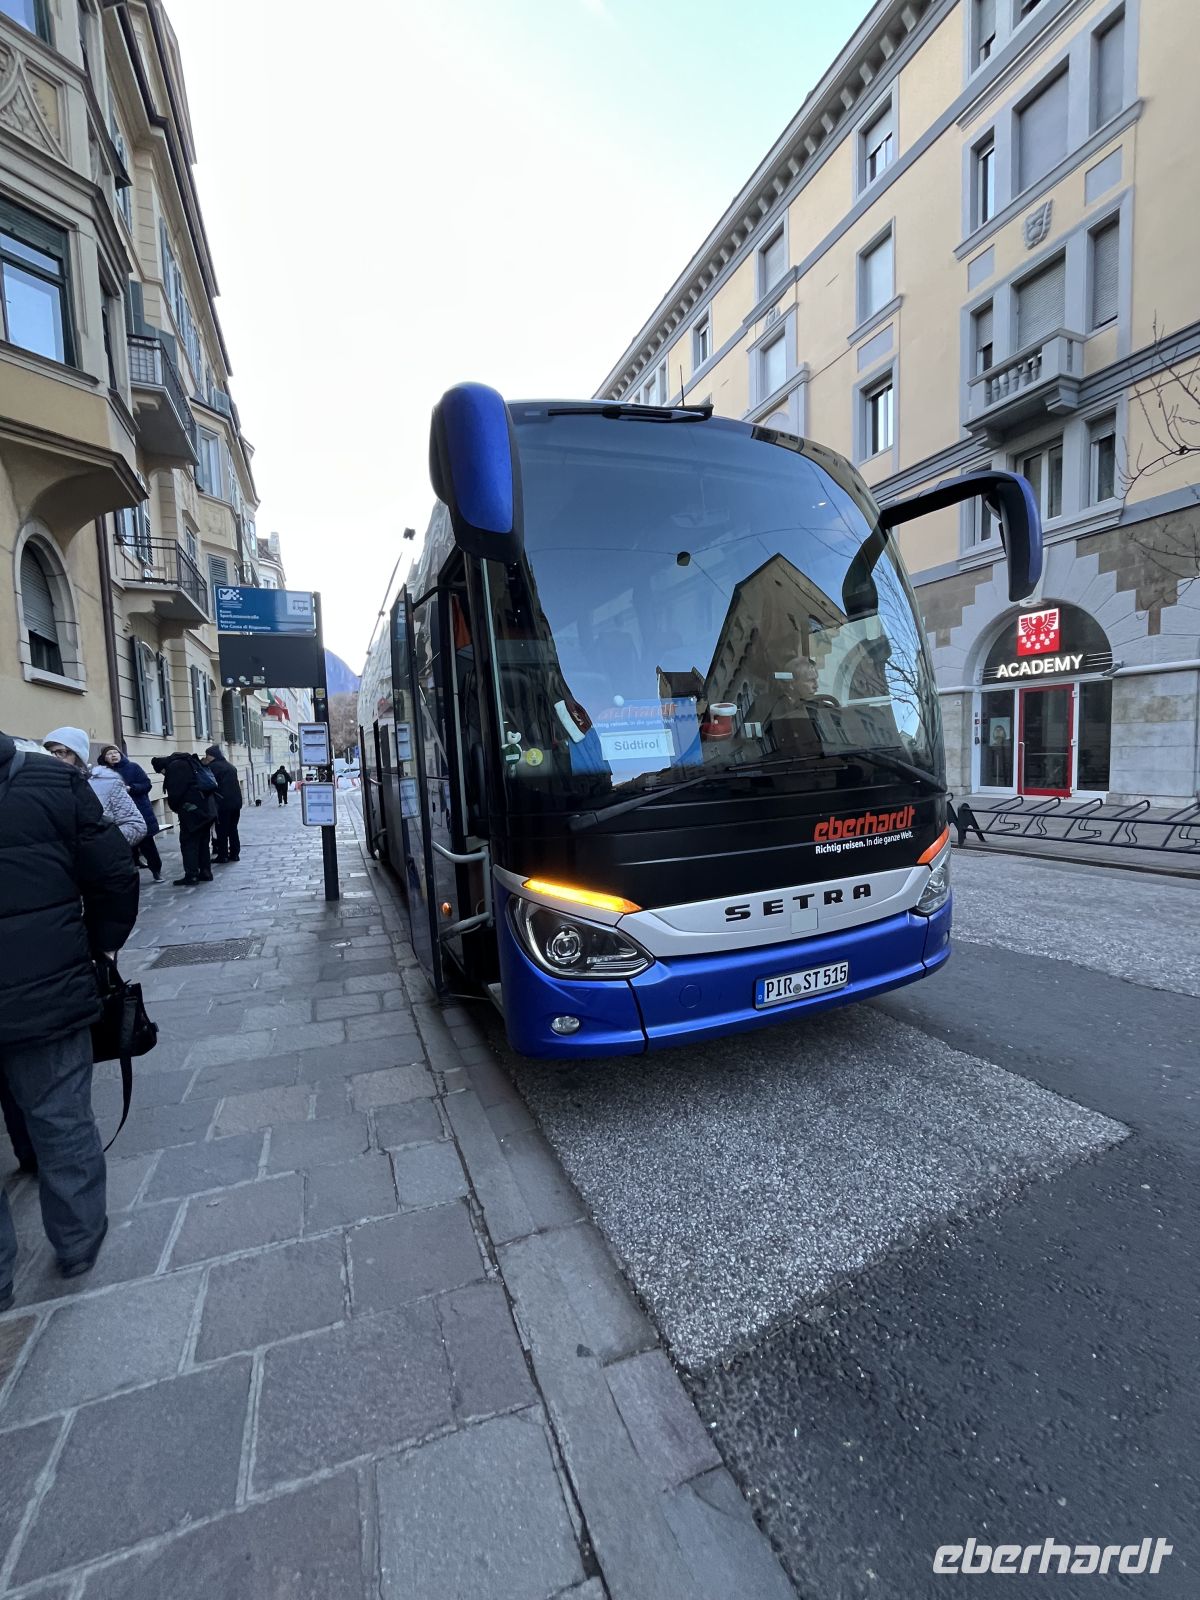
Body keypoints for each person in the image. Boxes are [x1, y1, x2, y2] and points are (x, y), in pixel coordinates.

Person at [0, 730, 139, 1306]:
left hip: (47, 988)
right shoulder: (54, 782)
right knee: (61, 1116)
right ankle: (78, 1241)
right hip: (48, 990)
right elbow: (114, 872)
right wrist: (101, 947)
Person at [97, 744, 163, 881]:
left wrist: (131, 788)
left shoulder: (133, 767)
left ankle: (156, 870)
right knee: (124, 845)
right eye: (109, 754)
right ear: (104, 758)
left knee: (147, 844)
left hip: (139, 811)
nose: (113, 755)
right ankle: (131, 869)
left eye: (115, 752)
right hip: (117, 815)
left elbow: (146, 785)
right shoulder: (101, 773)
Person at [152, 750, 217, 885]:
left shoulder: (175, 767)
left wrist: (176, 807)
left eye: (162, 772)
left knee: (189, 843)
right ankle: (206, 872)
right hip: (207, 807)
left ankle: (191, 875)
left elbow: (176, 794)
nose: (163, 774)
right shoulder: (189, 761)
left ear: (162, 767)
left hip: (192, 810)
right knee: (203, 842)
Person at [203, 744, 243, 862]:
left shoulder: (213, 767)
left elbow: (209, 784)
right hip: (236, 803)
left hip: (222, 804)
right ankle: (235, 854)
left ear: (212, 756)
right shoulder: (230, 766)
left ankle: (223, 855)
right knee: (233, 829)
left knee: (222, 830)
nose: (207, 758)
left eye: (207, 755)